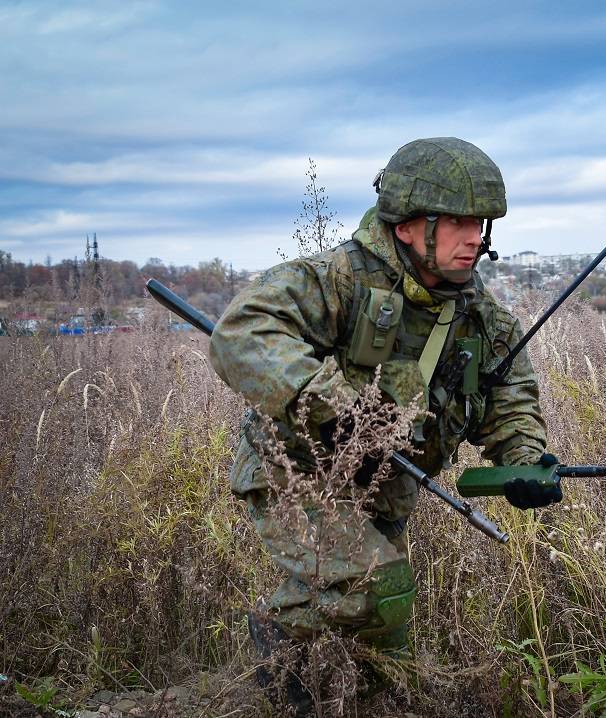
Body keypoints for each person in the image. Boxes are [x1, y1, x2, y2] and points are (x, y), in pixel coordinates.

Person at [208, 137, 561, 710]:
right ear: (406, 226)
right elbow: (243, 331)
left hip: (385, 491)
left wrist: (524, 462)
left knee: (383, 636)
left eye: (482, 224)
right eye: (458, 223)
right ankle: (281, 674)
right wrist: (333, 406)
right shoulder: (339, 280)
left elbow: (510, 402)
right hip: (296, 473)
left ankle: (352, 697)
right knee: (374, 587)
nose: (475, 237)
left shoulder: (481, 317)